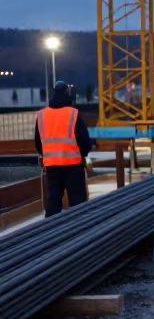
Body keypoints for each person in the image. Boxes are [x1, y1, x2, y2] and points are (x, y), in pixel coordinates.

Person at [34, 81, 91, 217]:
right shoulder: (73, 114)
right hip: (73, 165)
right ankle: (80, 231)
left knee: (53, 200)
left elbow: (38, 141)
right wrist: (82, 155)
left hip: (52, 165)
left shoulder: (42, 115)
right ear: (67, 94)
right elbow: (84, 140)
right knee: (77, 201)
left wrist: (47, 155)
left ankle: (50, 231)